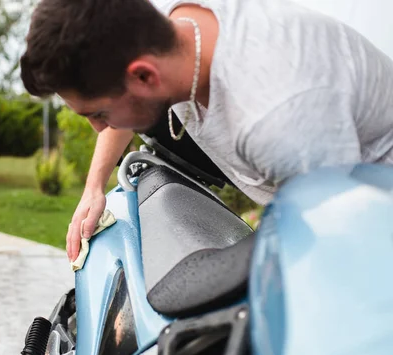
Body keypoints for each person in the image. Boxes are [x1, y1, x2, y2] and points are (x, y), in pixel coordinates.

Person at [20, 0, 393, 262]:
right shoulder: (164, 22)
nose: (100, 127)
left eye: (99, 112)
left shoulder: (275, 117)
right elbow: (119, 95)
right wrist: (93, 187)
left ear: (145, 75)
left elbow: (342, 240)